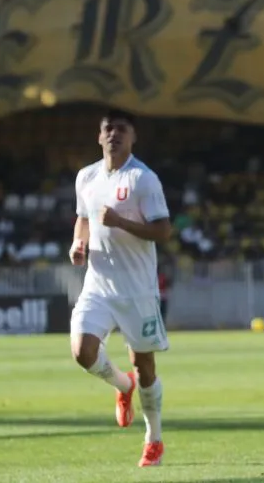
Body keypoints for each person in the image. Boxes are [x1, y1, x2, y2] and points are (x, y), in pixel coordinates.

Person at [69, 109, 172, 467]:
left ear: (133, 138)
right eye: (108, 129)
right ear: (99, 137)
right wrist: (78, 243)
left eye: (122, 129)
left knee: (145, 366)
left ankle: (153, 438)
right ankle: (121, 385)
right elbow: (83, 217)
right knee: (82, 351)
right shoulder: (87, 177)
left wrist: (120, 222)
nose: (114, 134)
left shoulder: (144, 179)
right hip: (98, 284)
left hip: (137, 290)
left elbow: (163, 231)